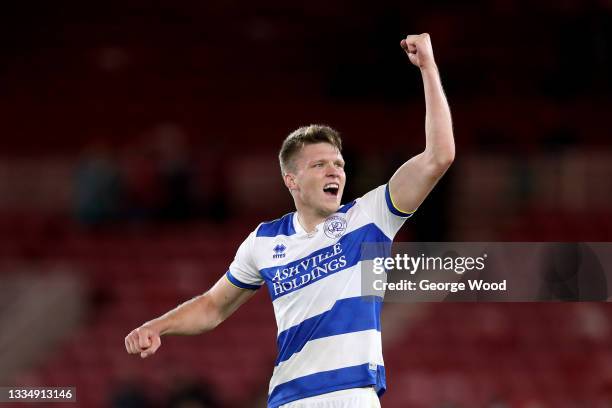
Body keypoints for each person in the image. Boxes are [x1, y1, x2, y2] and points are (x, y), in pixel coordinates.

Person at [125, 33, 454, 408]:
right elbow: (213, 307)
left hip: (352, 397)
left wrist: (428, 67)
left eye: (339, 164)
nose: (335, 171)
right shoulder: (264, 241)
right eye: (319, 164)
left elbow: (438, 156)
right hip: (288, 399)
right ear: (291, 180)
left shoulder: (370, 216)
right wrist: (157, 326)